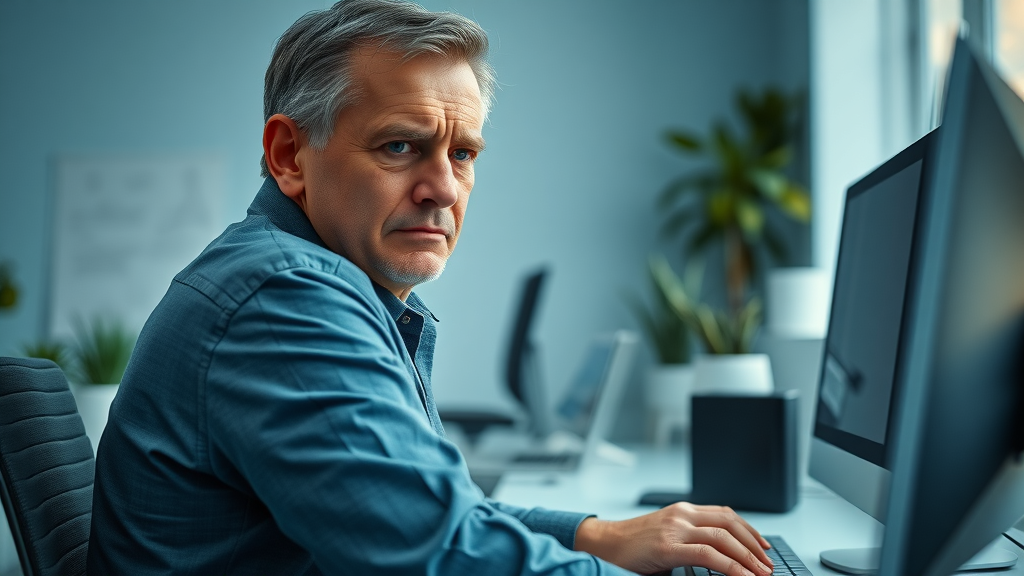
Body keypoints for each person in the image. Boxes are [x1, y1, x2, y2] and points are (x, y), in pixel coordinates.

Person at [87, 1, 778, 575]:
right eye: (399, 146)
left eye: (463, 153)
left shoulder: (313, 282)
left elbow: (431, 512)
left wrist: (597, 535)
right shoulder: (284, 296)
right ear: (290, 156)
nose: (444, 188)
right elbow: (443, 557)